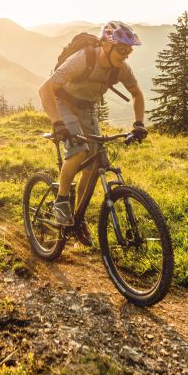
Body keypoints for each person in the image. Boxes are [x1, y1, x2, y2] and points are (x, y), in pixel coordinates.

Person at [38, 21, 148, 238]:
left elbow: (137, 93)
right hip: (64, 105)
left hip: (88, 109)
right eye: (122, 49)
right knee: (78, 152)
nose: (126, 55)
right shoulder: (82, 59)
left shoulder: (121, 68)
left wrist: (139, 123)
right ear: (107, 45)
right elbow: (46, 89)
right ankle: (60, 201)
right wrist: (58, 123)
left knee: (93, 164)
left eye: (129, 51)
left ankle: (78, 217)